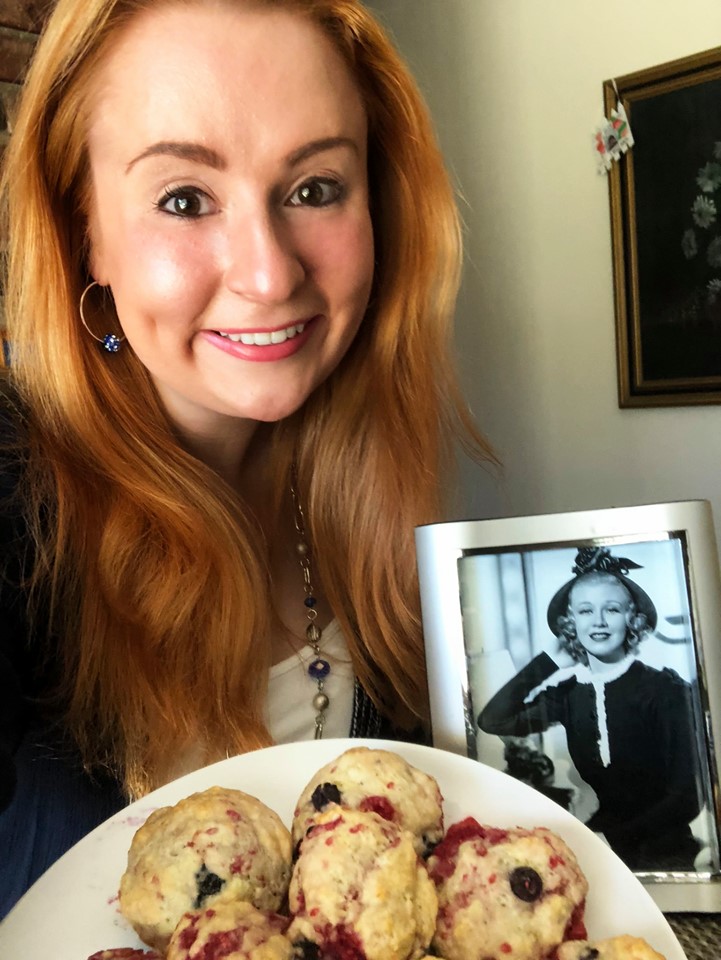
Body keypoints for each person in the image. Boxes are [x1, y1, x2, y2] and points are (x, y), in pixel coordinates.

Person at [0, 0, 492, 917]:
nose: (268, 275)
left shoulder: (370, 493)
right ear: (83, 231)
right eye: (184, 199)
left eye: (314, 188)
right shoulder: (17, 503)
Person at [478, 547, 704, 872]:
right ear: (571, 622)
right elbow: (493, 720)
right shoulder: (569, 693)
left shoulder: (664, 691)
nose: (598, 621)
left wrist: (612, 839)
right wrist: (549, 661)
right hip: (600, 847)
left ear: (632, 619)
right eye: (585, 611)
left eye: (611, 609)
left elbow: (688, 796)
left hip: (664, 852)